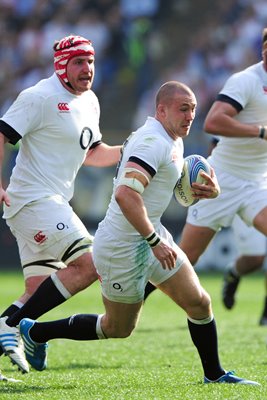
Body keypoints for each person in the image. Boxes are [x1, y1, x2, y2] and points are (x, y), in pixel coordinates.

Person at [18, 81, 258, 385]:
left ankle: (215, 375)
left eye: (194, 110)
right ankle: (36, 332)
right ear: (161, 109)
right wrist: (155, 241)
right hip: (122, 245)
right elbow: (125, 195)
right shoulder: (152, 141)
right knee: (117, 328)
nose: (190, 116)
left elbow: (157, 189)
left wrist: (206, 191)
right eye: (183, 109)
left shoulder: (171, 137)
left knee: (199, 303)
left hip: (149, 234)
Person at [0, 34, 122, 376]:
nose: (88, 69)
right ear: (61, 66)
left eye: (91, 62)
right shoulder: (39, 96)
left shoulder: (90, 101)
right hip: (33, 200)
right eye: (79, 62)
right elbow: (2, 134)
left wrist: (132, 150)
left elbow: (94, 153)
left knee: (37, 291)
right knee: (89, 264)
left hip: (49, 203)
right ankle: (13, 326)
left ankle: (8, 325)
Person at [174, 26, 267, 331]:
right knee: (185, 257)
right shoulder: (247, 81)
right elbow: (213, 121)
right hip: (221, 180)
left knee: (255, 258)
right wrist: (261, 132)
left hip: (257, 183)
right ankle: (133, 299)